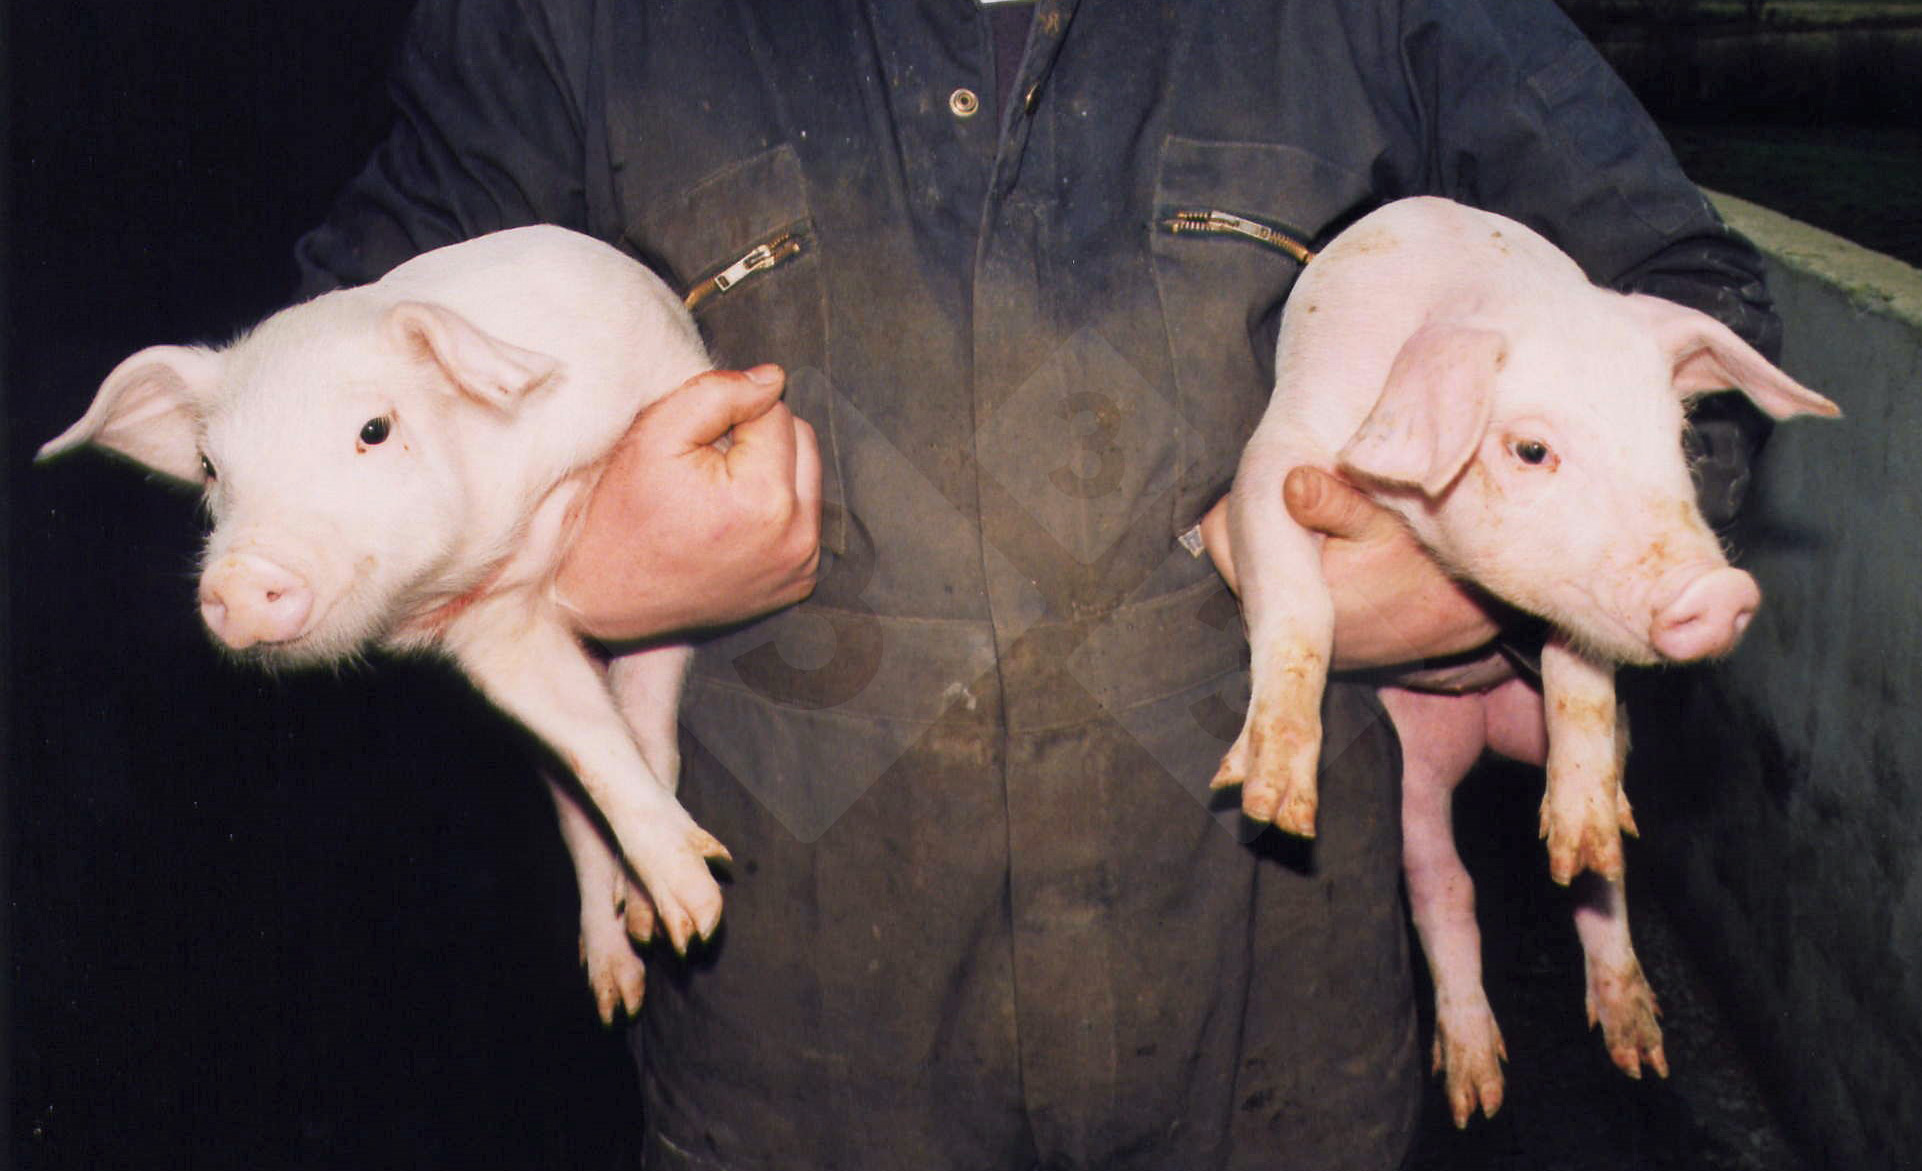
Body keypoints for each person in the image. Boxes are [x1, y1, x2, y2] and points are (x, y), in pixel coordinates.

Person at [295, 2, 1779, 1167]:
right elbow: (309, 398)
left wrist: (1475, 574)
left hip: (1265, 1011)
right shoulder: (571, 19)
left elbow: (1685, 297)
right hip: (802, 1043)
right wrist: (568, 568)